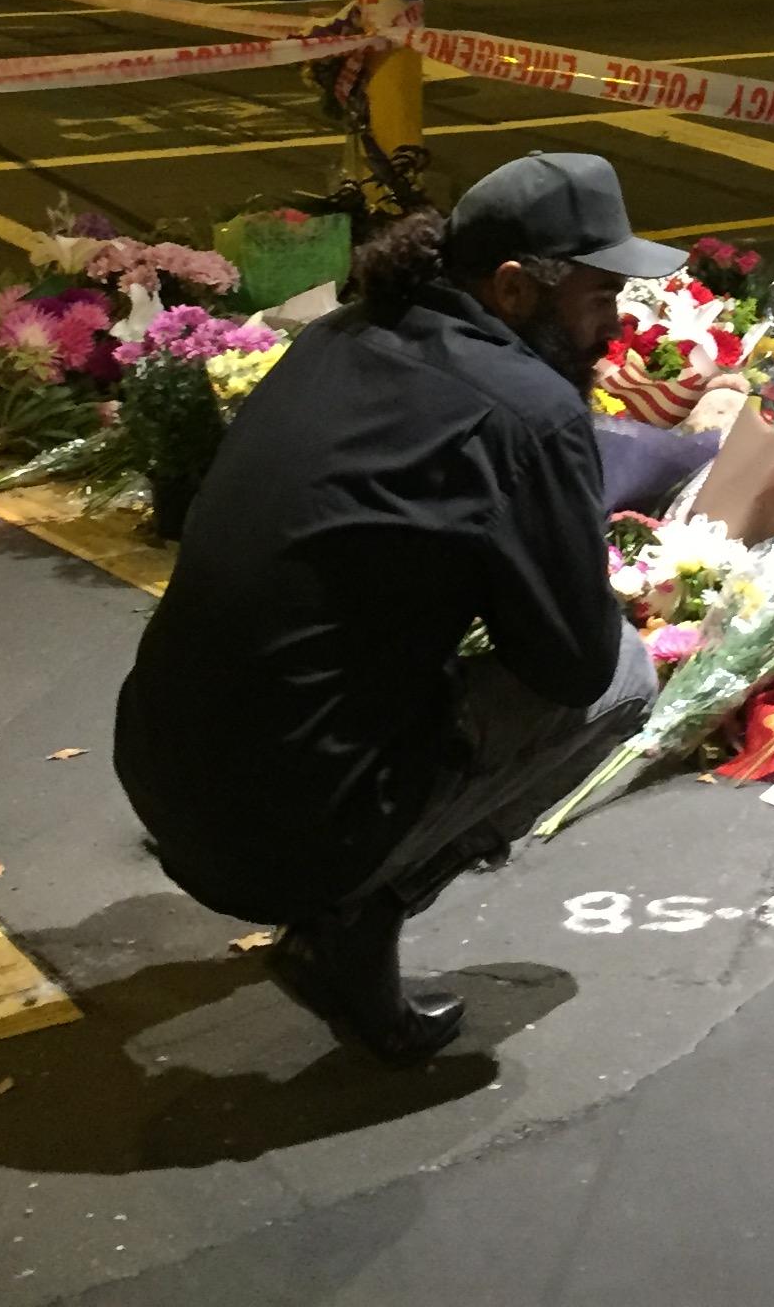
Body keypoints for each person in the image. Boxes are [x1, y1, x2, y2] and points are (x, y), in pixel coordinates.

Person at [112, 152, 667, 1062]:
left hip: (161, 768)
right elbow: (571, 663)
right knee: (628, 675)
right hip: (284, 833)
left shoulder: (336, 337)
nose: (616, 322)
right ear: (517, 288)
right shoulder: (526, 411)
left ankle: (346, 905)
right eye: (601, 296)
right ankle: (356, 920)